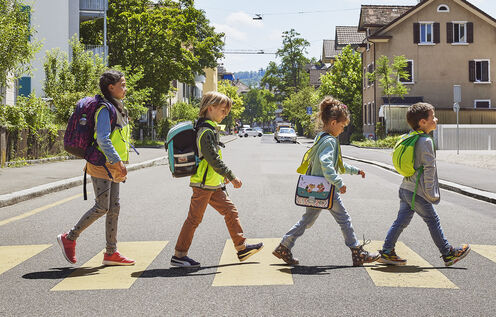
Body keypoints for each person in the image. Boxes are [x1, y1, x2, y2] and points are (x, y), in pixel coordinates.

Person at [273, 97, 379, 267]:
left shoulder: (320, 137)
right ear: (333, 122)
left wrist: (356, 170)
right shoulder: (330, 141)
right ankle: (357, 252)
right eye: (342, 126)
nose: (343, 130)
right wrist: (339, 183)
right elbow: (327, 164)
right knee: (344, 219)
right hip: (326, 189)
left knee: (307, 221)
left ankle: (284, 246)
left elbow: (339, 165)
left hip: (314, 188)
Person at [170, 91, 263, 268]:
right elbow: (213, 159)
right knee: (194, 219)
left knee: (230, 211)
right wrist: (231, 176)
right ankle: (179, 255)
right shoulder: (205, 131)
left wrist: (221, 177)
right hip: (204, 185)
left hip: (212, 184)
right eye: (222, 110)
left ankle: (241, 247)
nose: (225, 114)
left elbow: (212, 160)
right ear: (210, 108)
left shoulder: (210, 128)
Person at [57, 70, 135, 266]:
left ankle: (111, 253)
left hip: (113, 164)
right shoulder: (105, 109)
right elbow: (103, 138)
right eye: (122, 85)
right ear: (111, 87)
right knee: (102, 206)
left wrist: (119, 162)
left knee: (114, 207)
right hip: (101, 162)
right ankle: (70, 237)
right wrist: (117, 161)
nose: (125, 89)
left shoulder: (117, 107)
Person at [378, 102, 470, 267]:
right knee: (432, 220)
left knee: (401, 221)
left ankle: (387, 251)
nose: (436, 118)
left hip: (406, 188)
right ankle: (448, 253)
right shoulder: (425, 141)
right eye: (432, 116)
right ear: (422, 122)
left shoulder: (411, 137)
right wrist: (430, 193)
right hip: (418, 192)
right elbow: (429, 169)